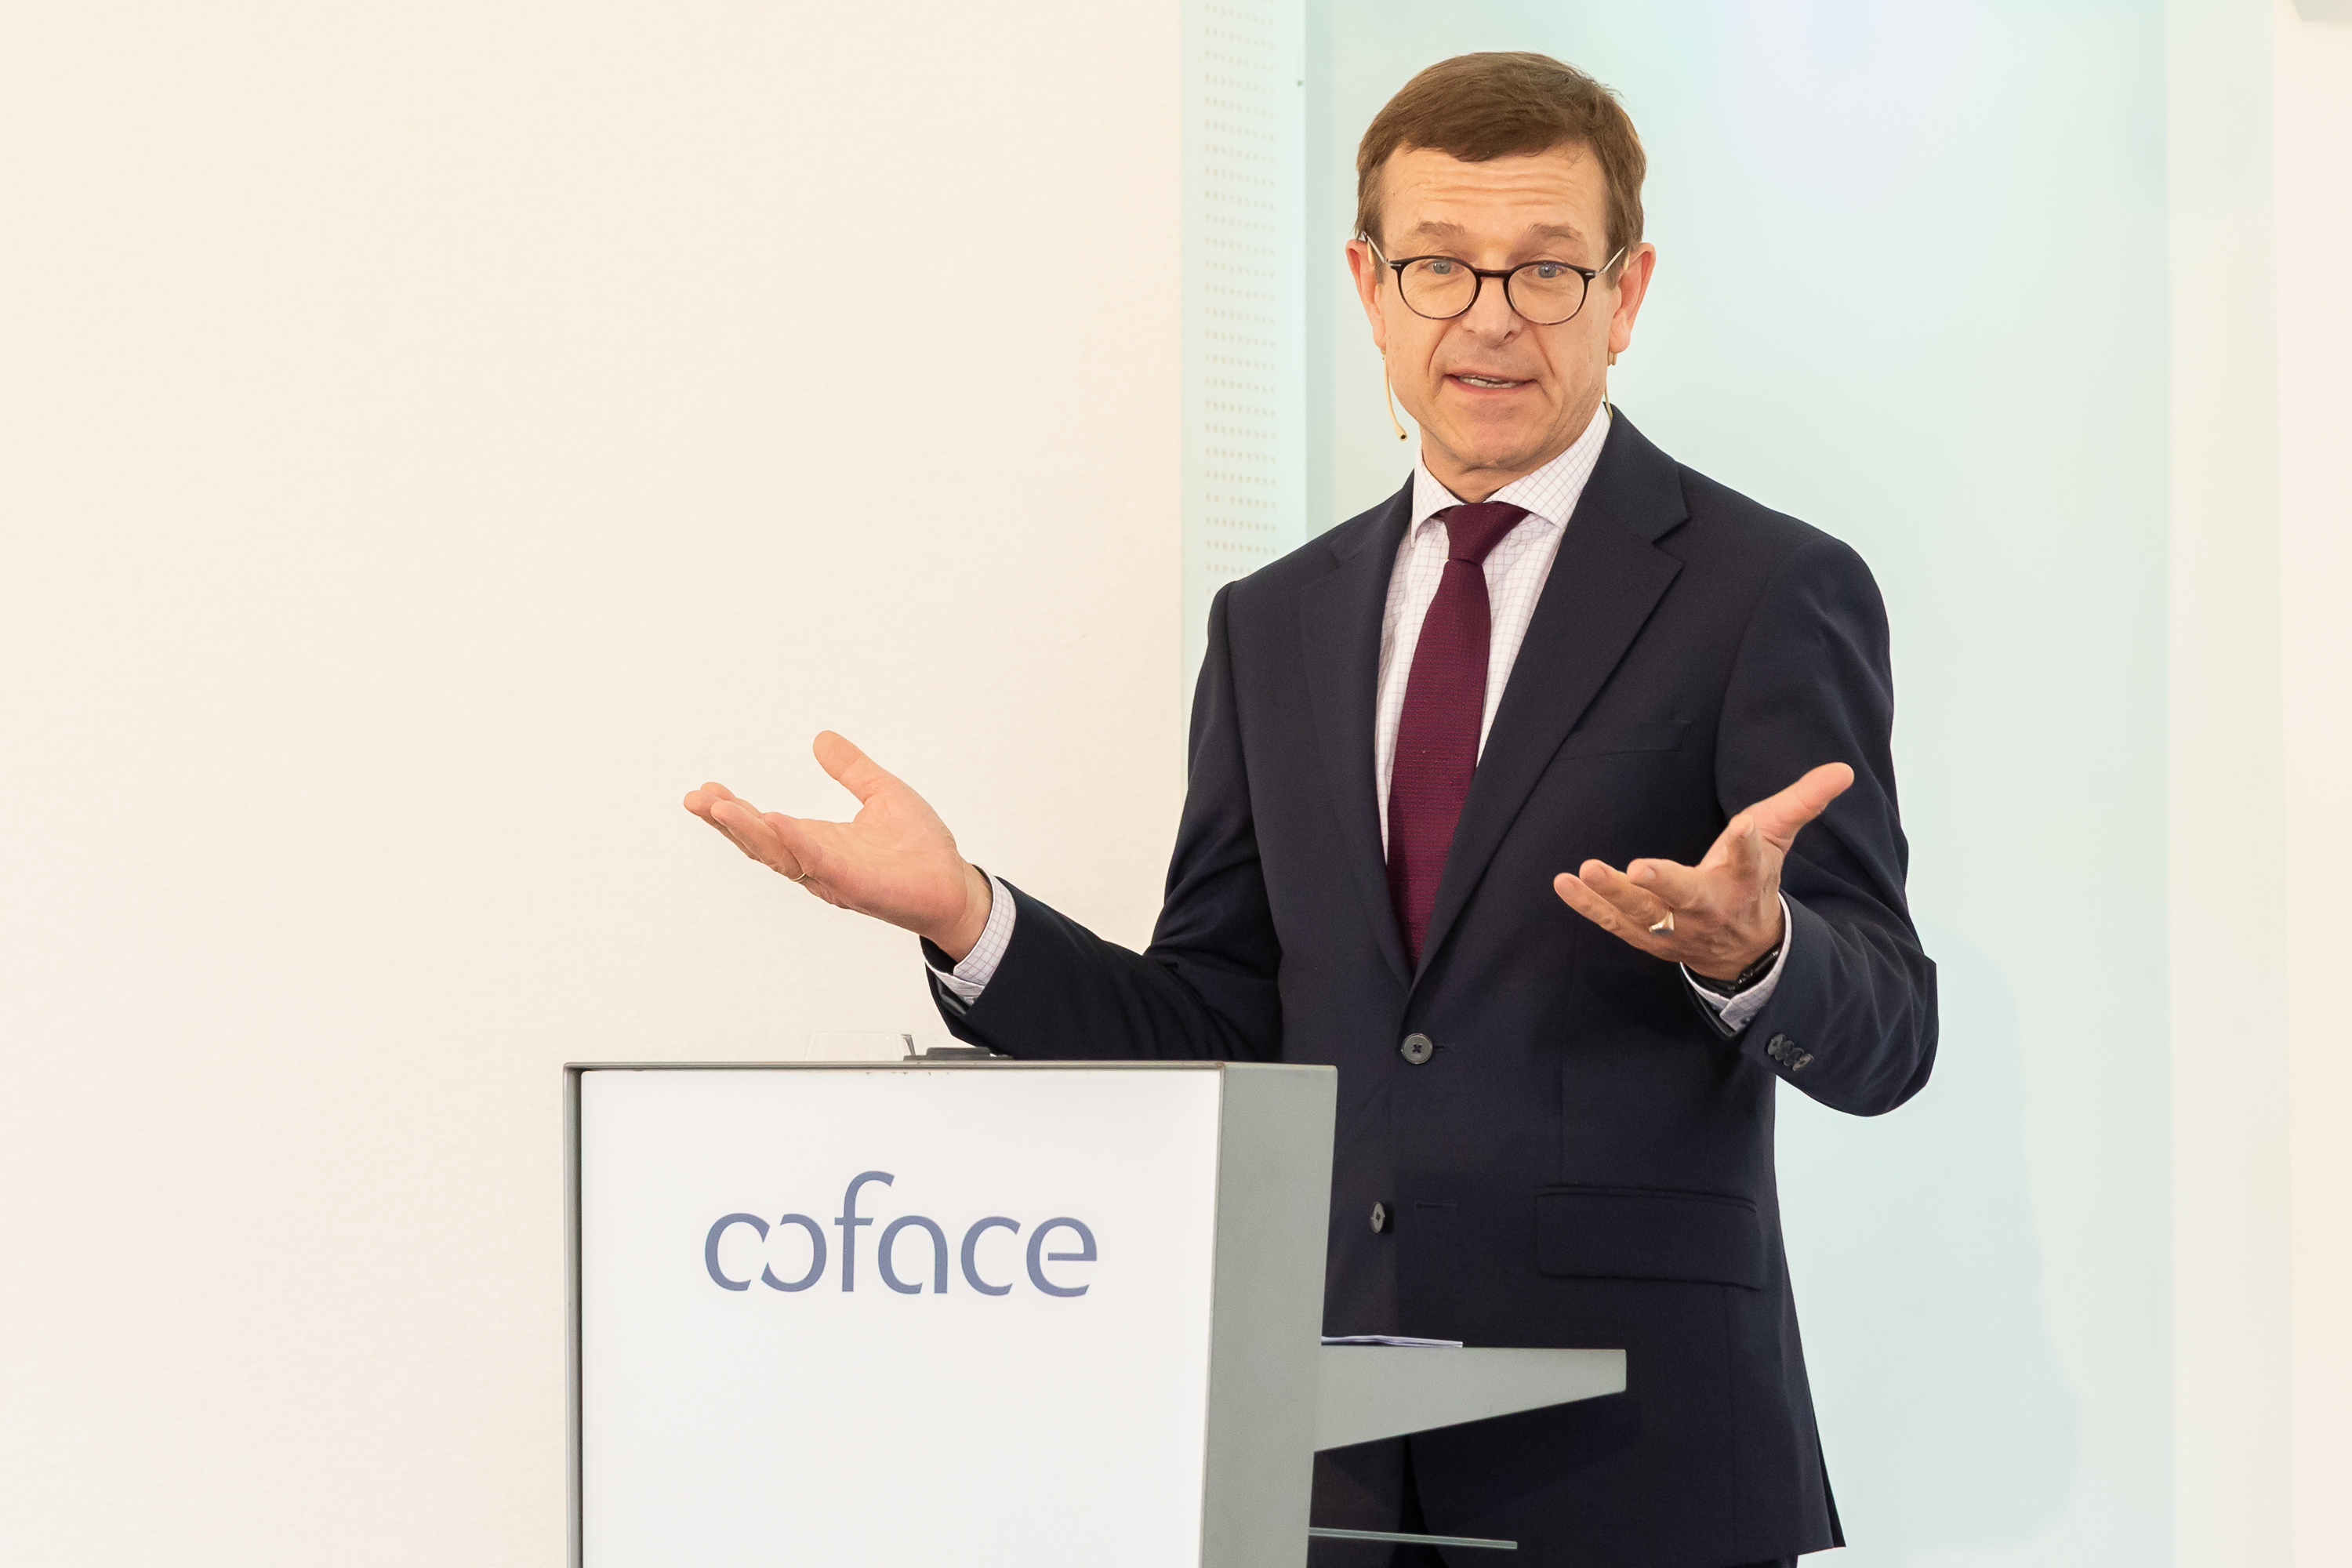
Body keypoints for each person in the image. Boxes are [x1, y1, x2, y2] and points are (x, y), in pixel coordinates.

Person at [687, 51, 1935, 1568]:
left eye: (1547, 270)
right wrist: (969, 918)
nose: (1490, 315)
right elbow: (1219, 1022)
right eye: (1438, 266)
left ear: (1627, 293)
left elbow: (1891, 1035)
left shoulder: (1767, 588)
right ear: (1369, 288)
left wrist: (1758, 953)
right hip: (1327, 1456)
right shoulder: (1272, 622)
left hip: (1639, 1454)